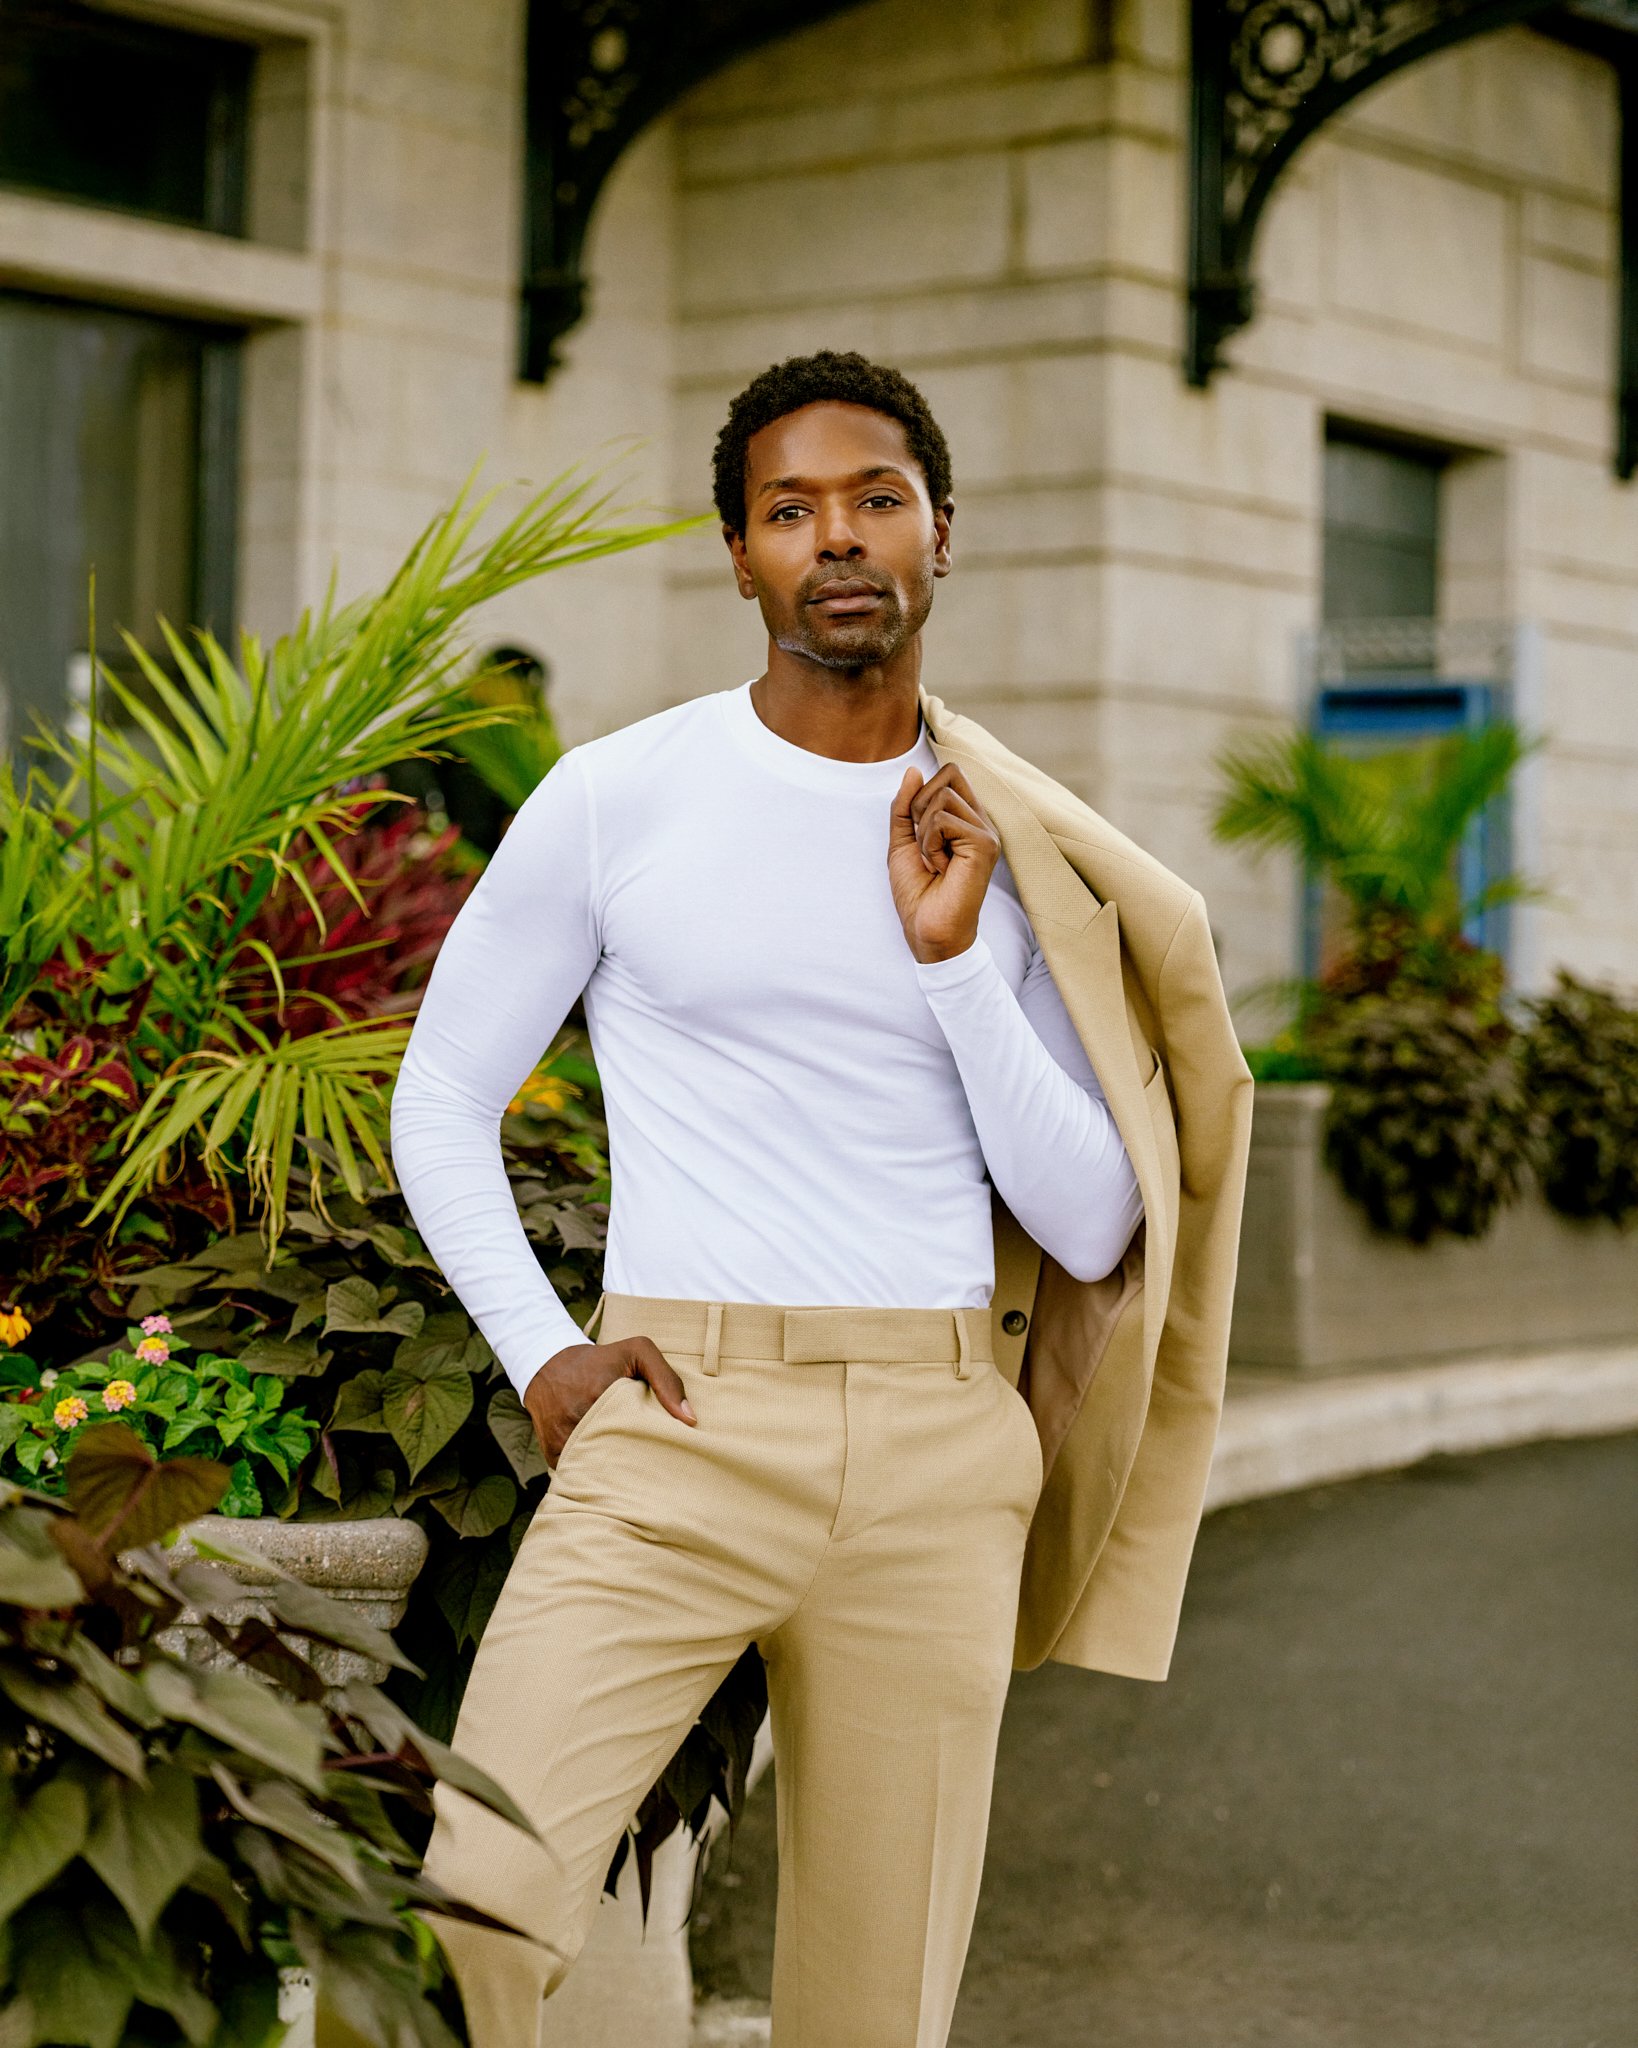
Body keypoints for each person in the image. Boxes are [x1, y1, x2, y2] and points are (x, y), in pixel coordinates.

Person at [389, 350, 1253, 2048]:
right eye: (790, 510)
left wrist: (952, 967)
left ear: (943, 534)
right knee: (480, 1894)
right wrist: (541, 1352)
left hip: (938, 1445)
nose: (835, 539)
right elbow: (441, 1095)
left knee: (875, 2010)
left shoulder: (1007, 848)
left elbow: (1092, 1224)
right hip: (676, 1421)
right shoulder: (623, 798)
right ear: (738, 557)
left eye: (875, 501)